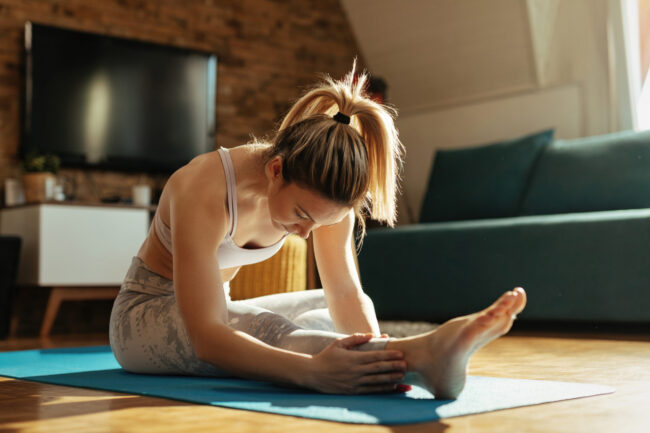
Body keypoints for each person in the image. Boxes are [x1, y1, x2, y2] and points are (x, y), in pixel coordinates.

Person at [109, 65, 527, 399]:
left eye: (319, 223)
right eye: (300, 214)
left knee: (324, 309)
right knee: (273, 329)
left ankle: (406, 359)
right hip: (143, 318)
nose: (306, 233)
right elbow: (207, 335)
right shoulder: (204, 186)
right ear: (276, 171)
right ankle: (422, 354)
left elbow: (343, 291)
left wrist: (376, 354)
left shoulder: (328, 194)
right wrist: (311, 373)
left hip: (215, 309)